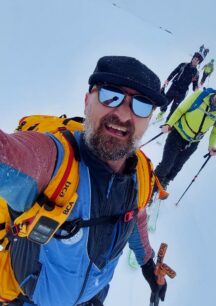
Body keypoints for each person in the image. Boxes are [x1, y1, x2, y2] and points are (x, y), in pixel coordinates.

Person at [0, 56, 169, 306]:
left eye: (142, 105)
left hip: (93, 298)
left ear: (149, 120)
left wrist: (147, 262)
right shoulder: (53, 162)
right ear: (87, 101)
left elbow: (137, 219)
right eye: (111, 95)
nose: (123, 113)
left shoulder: (141, 172)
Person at [154, 79, 216, 190]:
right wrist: (169, 124)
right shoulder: (200, 96)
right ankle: (152, 186)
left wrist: (212, 146)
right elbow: (180, 110)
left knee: (177, 167)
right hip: (177, 134)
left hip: (193, 142)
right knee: (166, 165)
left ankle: (164, 184)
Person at [156, 52, 203, 121]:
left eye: (197, 60)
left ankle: (168, 121)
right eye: (195, 58)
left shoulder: (196, 73)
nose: (195, 61)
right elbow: (174, 72)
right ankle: (162, 112)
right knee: (165, 102)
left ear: (199, 62)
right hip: (174, 87)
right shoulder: (183, 65)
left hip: (182, 92)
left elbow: (194, 85)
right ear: (192, 58)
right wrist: (168, 80)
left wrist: (196, 88)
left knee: (174, 108)